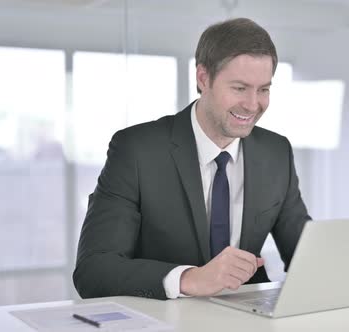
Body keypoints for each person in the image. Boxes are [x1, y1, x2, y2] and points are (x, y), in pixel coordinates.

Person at [73, 17, 311, 300]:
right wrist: (189, 278)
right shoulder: (137, 150)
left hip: (248, 317)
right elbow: (93, 270)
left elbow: (306, 254)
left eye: (264, 89)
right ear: (203, 78)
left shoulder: (276, 152)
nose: (252, 104)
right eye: (239, 88)